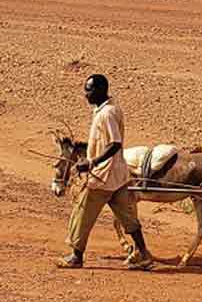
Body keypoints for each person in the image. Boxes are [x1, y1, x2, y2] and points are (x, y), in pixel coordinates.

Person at [57, 74, 157, 270]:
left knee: (82, 213)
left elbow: (114, 144)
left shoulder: (106, 114)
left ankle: (76, 256)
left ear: (101, 90)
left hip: (104, 176)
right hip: (118, 176)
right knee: (128, 218)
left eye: (89, 90)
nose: (85, 94)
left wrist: (91, 162)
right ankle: (144, 254)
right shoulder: (107, 109)